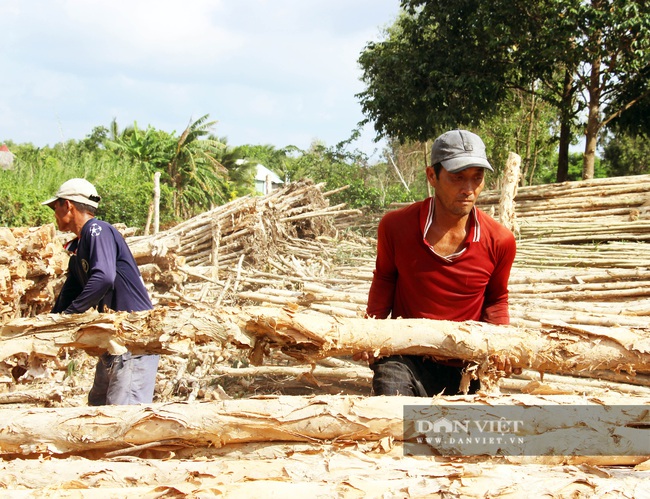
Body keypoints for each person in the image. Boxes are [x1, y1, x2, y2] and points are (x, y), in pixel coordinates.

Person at [362, 130, 517, 397]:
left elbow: (495, 298)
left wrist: (501, 342)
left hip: (467, 363)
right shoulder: (396, 227)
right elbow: (385, 278)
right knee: (392, 415)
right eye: (457, 178)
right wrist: (369, 333)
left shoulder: (499, 240)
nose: (468, 190)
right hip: (405, 356)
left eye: (476, 178)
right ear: (432, 176)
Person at [42, 178, 159, 405]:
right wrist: (49, 326)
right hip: (113, 340)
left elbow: (104, 277)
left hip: (134, 337)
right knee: (98, 407)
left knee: (122, 420)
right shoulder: (79, 248)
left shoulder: (98, 229)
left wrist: (71, 314)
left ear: (68, 205)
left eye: (55, 206)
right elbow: (70, 292)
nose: (54, 213)